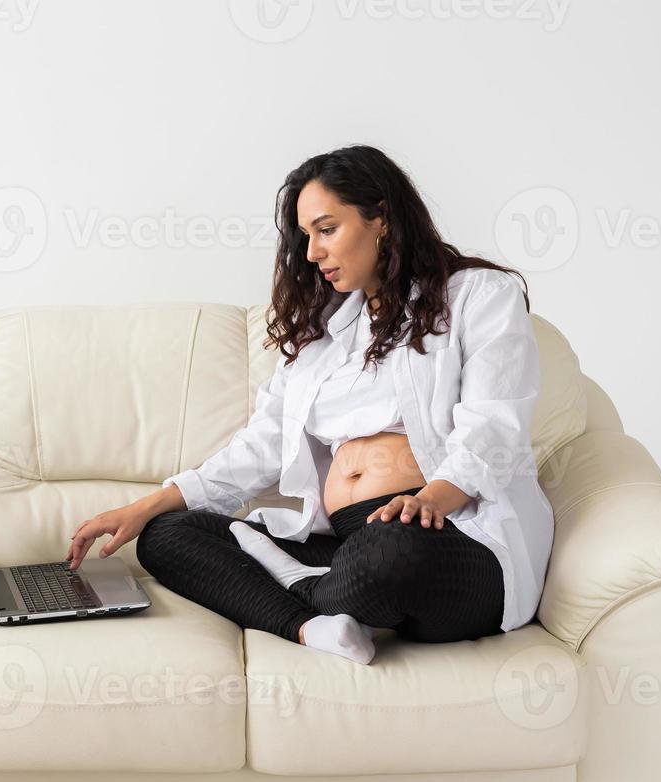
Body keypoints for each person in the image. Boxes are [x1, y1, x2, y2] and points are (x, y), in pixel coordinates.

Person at [64, 144, 555, 665]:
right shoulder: (323, 338)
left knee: (388, 551)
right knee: (165, 536)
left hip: (449, 534)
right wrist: (145, 507)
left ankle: (293, 583)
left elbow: (494, 424)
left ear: (381, 218)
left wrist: (431, 499)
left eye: (327, 229)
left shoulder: (479, 295)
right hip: (349, 544)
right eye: (305, 237)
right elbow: (263, 445)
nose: (312, 253)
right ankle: (310, 626)